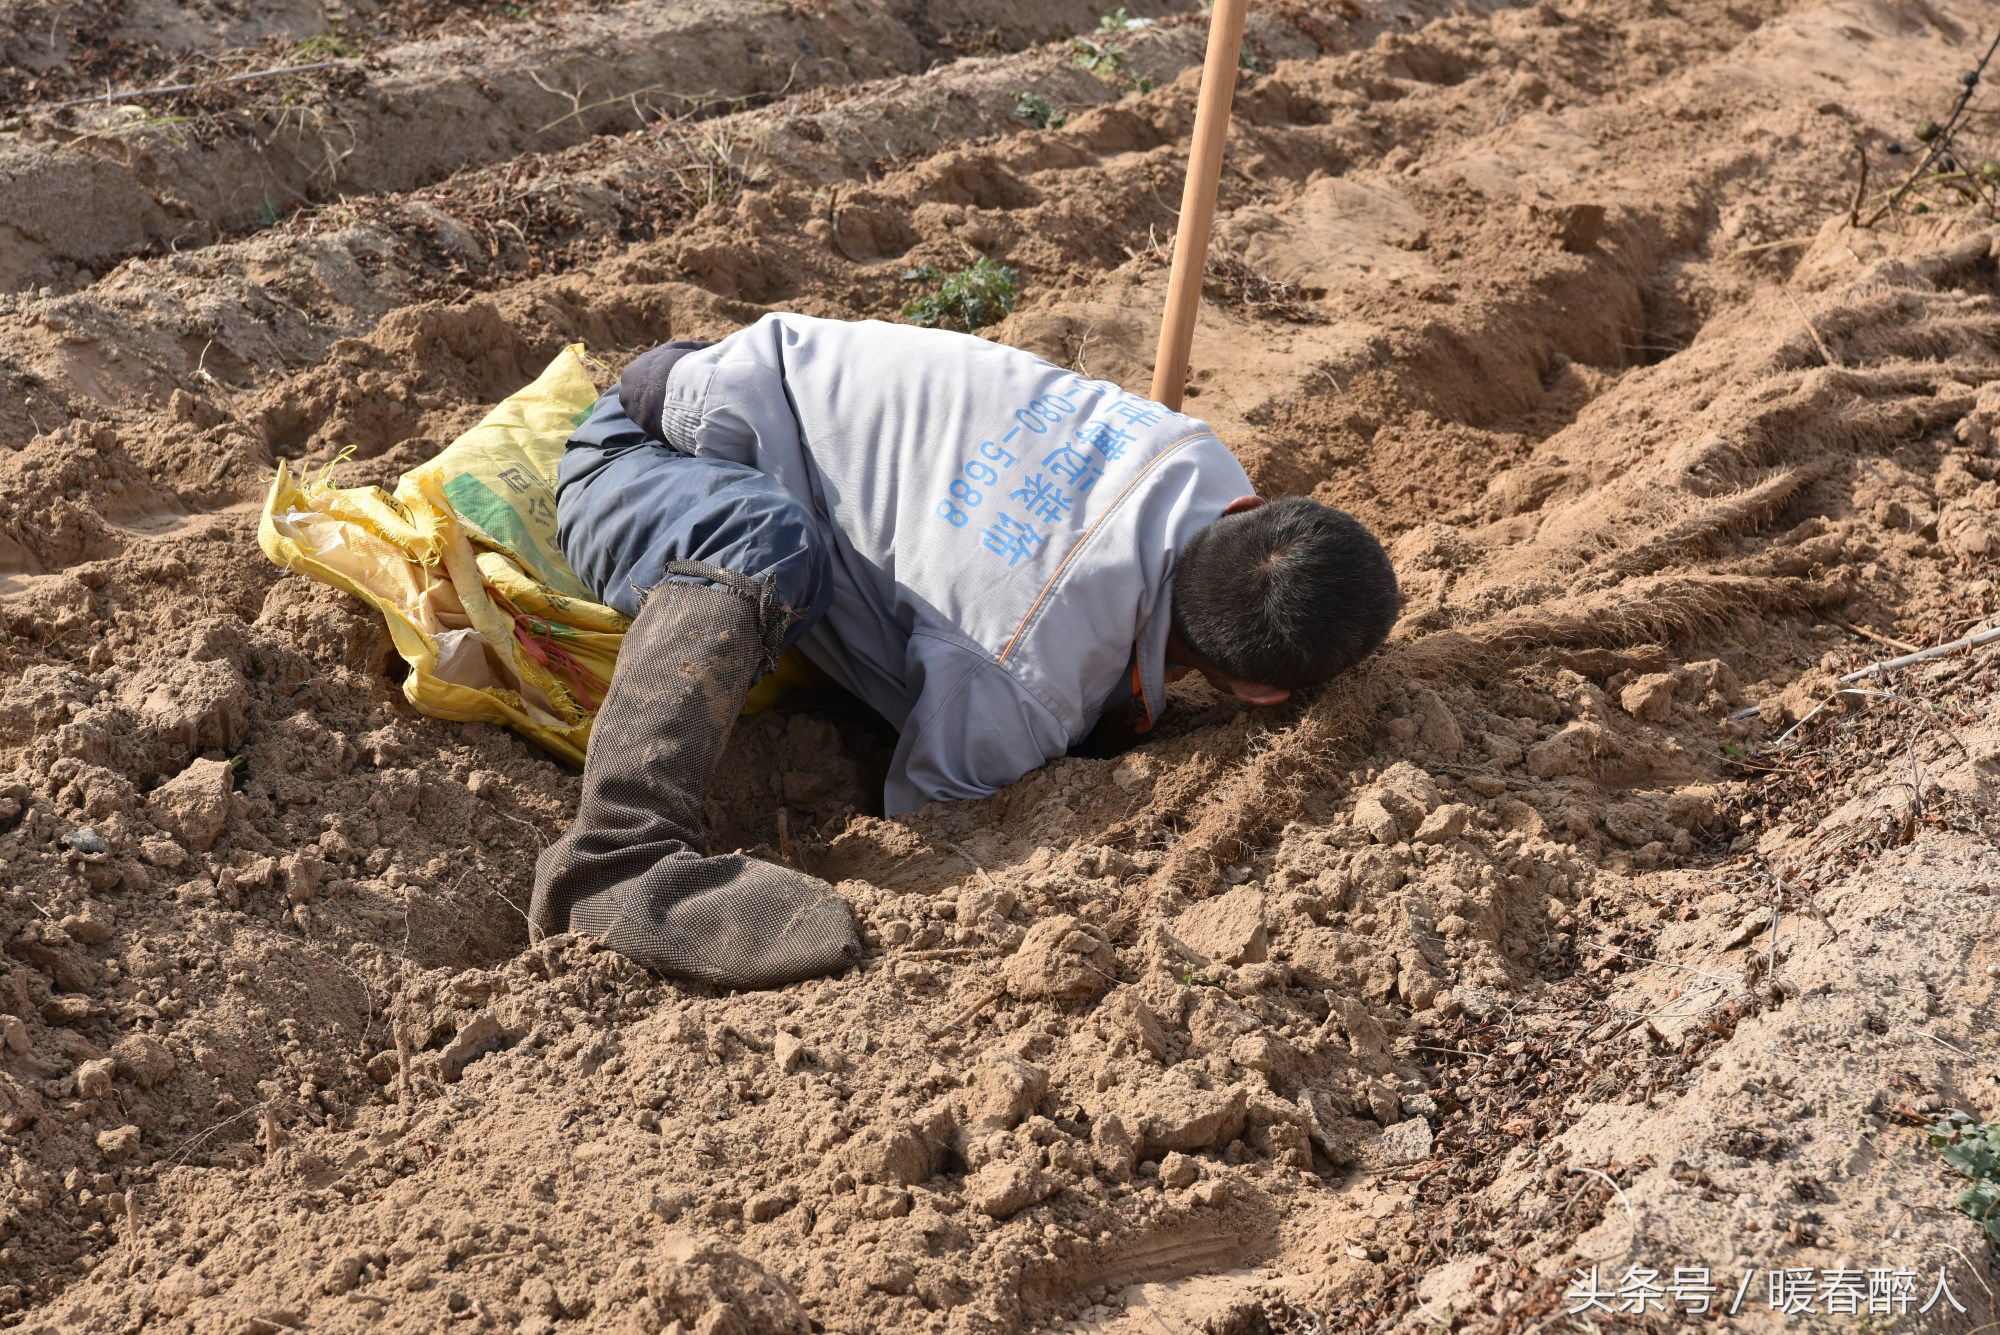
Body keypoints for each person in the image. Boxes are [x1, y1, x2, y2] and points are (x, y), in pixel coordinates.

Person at [529, 314, 1399, 989]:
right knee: (771, 547)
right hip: (650, 448)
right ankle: (617, 854)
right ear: (1257, 693)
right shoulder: (1023, 683)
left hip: (757, 369)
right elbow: (925, 813)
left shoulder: (1197, 455)